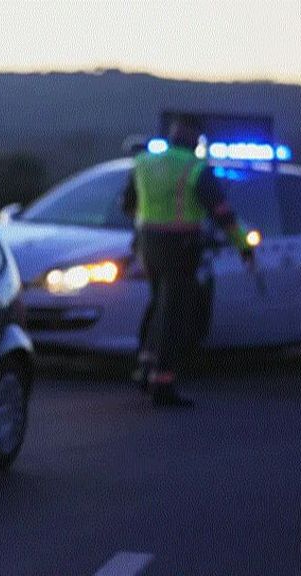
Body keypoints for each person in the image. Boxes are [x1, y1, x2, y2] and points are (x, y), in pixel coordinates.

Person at [122, 114, 254, 408]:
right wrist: (244, 245)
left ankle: (145, 368)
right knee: (176, 314)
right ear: (196, 139)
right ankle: (164, 383)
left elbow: (128, 204)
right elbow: (222, 213)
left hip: (149, 246)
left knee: (158, 305)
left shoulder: (144, 162)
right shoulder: (195, 168)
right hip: (181, 248)